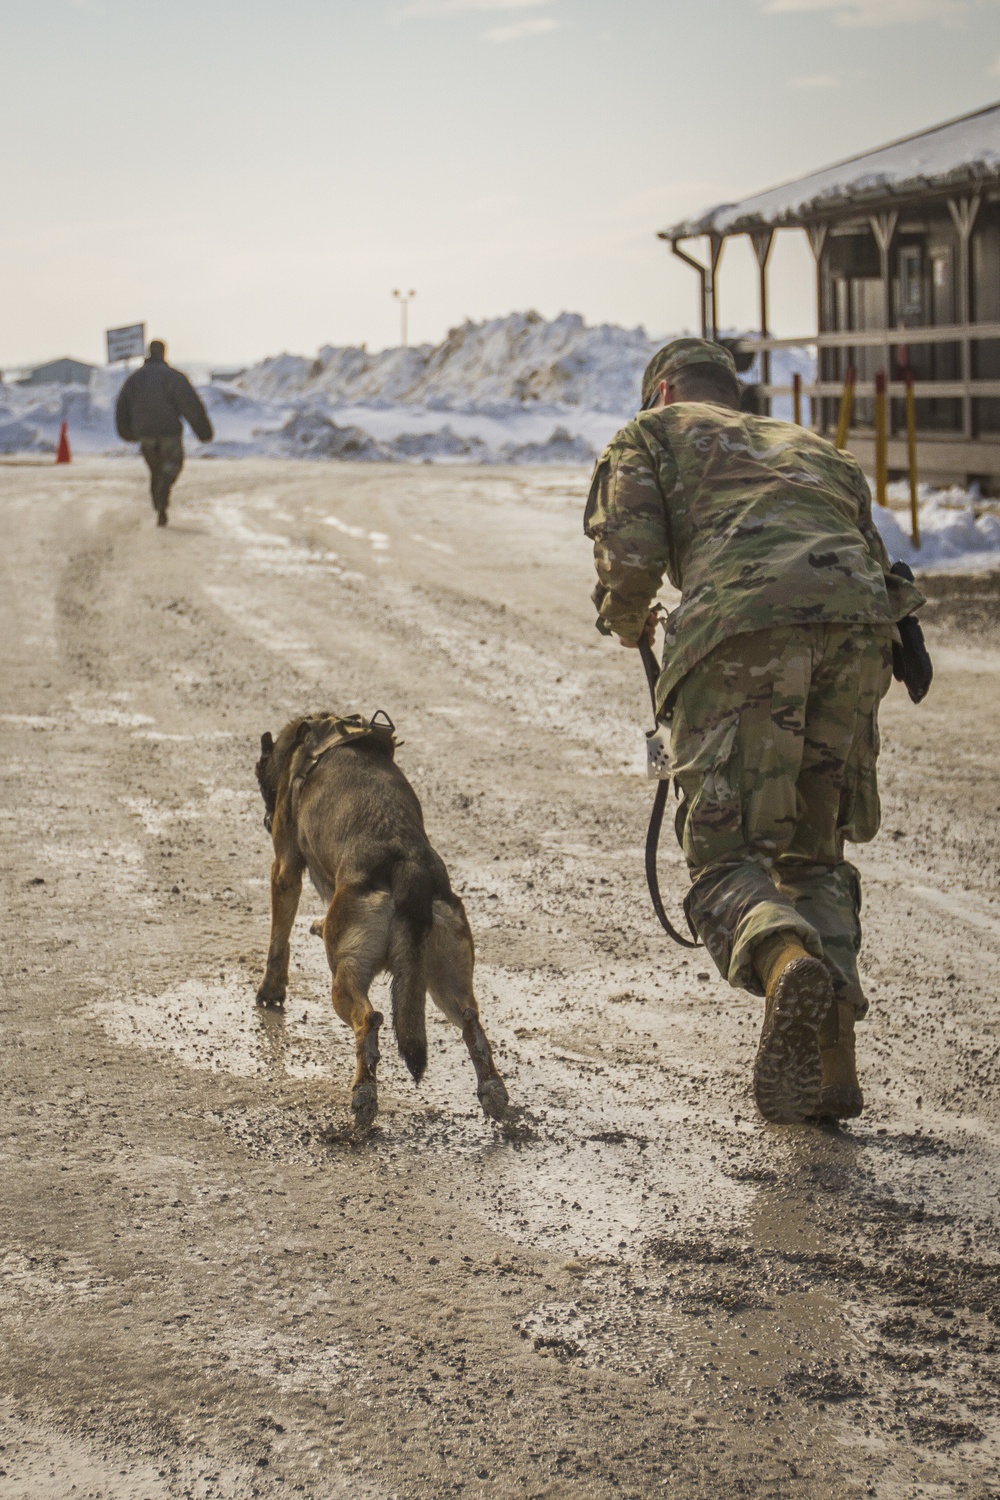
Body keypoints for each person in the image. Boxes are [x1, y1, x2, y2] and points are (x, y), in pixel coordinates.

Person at [584, 337, 928, 1125]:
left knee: (724, 857)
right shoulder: (815, 448)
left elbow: (630, 552)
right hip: (857, 629)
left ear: (662, 390)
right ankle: (834, 1063)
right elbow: (881, 566)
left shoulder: (652, 433)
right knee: (816, 849)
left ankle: (784, 963)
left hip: (742, 629)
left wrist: (629, 620)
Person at [115, 340, 213, 525]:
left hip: (145, 435)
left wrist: (127, 432)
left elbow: (122, 407)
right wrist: (203, 431)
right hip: (169, 434)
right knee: (172, 466)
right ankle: (163, 493)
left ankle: (160, 505)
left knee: (155, 470)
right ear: (163, 353)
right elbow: (190, 405)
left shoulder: (135, 379)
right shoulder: (173, 378)